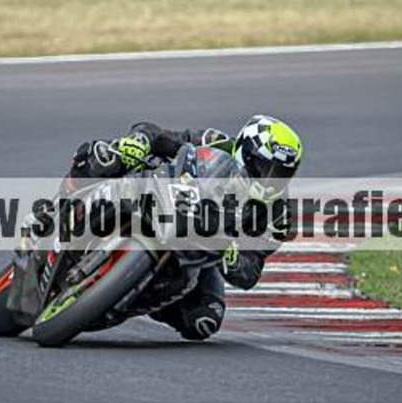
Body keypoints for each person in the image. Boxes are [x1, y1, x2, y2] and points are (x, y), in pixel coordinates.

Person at [66, 115, 303, 340]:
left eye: (282, 173)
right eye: (266, 168)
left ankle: (115, 302)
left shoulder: (277, 214)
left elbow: (251, 271)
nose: (272, 180)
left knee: (203, 319)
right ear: (247, 154)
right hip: (161, 193)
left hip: (201, 249)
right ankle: (61, 209)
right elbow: (157, 135)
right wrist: (138, 142)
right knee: (104, 155)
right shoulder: (215, 142)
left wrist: (234, 258)